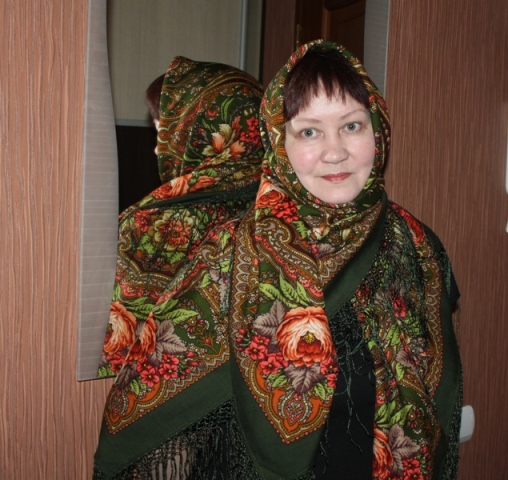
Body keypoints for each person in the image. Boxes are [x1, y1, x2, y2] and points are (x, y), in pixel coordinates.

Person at [94, 40, 462, 479]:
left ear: (378, 131)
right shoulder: (230, 253)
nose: (335, 151)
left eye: (352, 126)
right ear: (279, 143)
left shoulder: (417, 247)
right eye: (309, 131)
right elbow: (159, 408)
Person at [95, 57, 264, 381]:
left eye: (164, 133)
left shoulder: (159, 224)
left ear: (199, 134)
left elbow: (113, 351)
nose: (157, 150)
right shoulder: (287, 207)